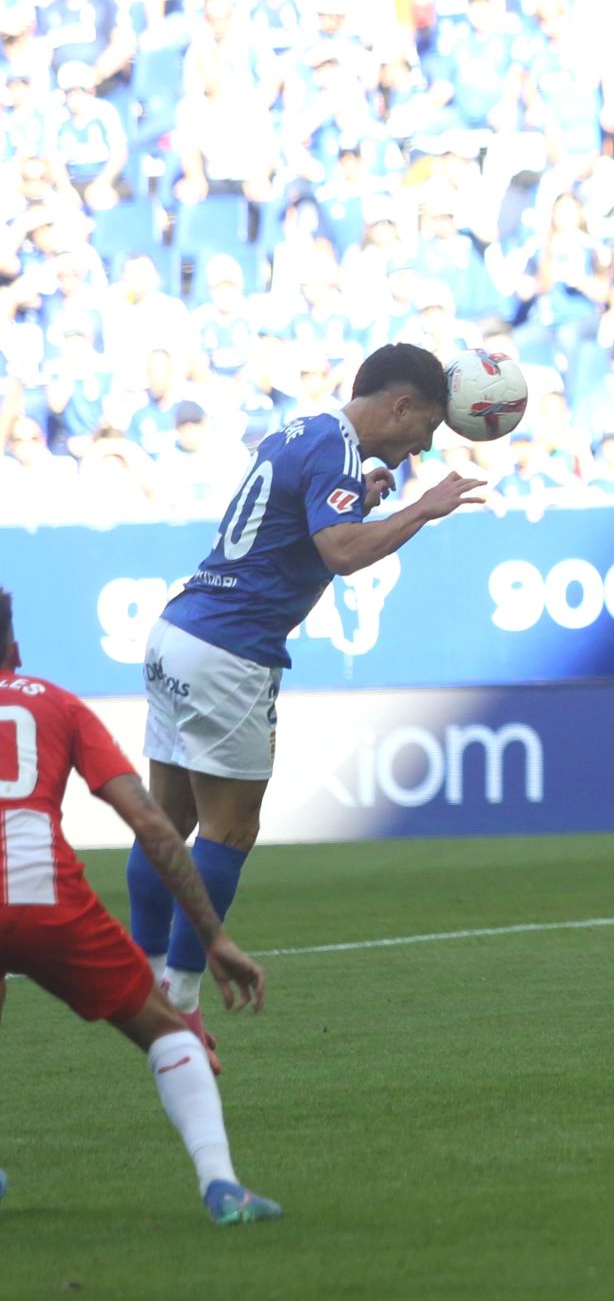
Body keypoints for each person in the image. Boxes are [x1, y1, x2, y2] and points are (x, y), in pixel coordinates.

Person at [127, 345, 483, 1070]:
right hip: (230, 650)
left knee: (170, 819)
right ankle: (184, 1001)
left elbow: (299, 527)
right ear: (400, 405)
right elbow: (342, 551)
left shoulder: (307, 431)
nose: (424, 446)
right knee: (230, 828)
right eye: (425, 430)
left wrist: (372, 495)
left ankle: (141, 969)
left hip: (178, 632)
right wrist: (423, 508)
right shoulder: (332, 446)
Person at [0, 589, 279, 1224]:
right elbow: (154, 825)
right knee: (165, 1032)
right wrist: (213, 937)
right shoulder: (59, 705)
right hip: (48, 901)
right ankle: (223, 1188)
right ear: (13, 647)